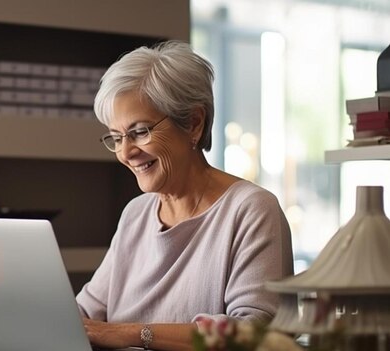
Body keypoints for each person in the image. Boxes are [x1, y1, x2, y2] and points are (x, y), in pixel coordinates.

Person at [76, 40, 294, 351]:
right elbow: (85, 313)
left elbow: (253, 334)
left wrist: (131, 334)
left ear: (193, 123)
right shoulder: (136, 214)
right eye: (116, 137)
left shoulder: (251, 210)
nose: (125, 152)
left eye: (139, 132)